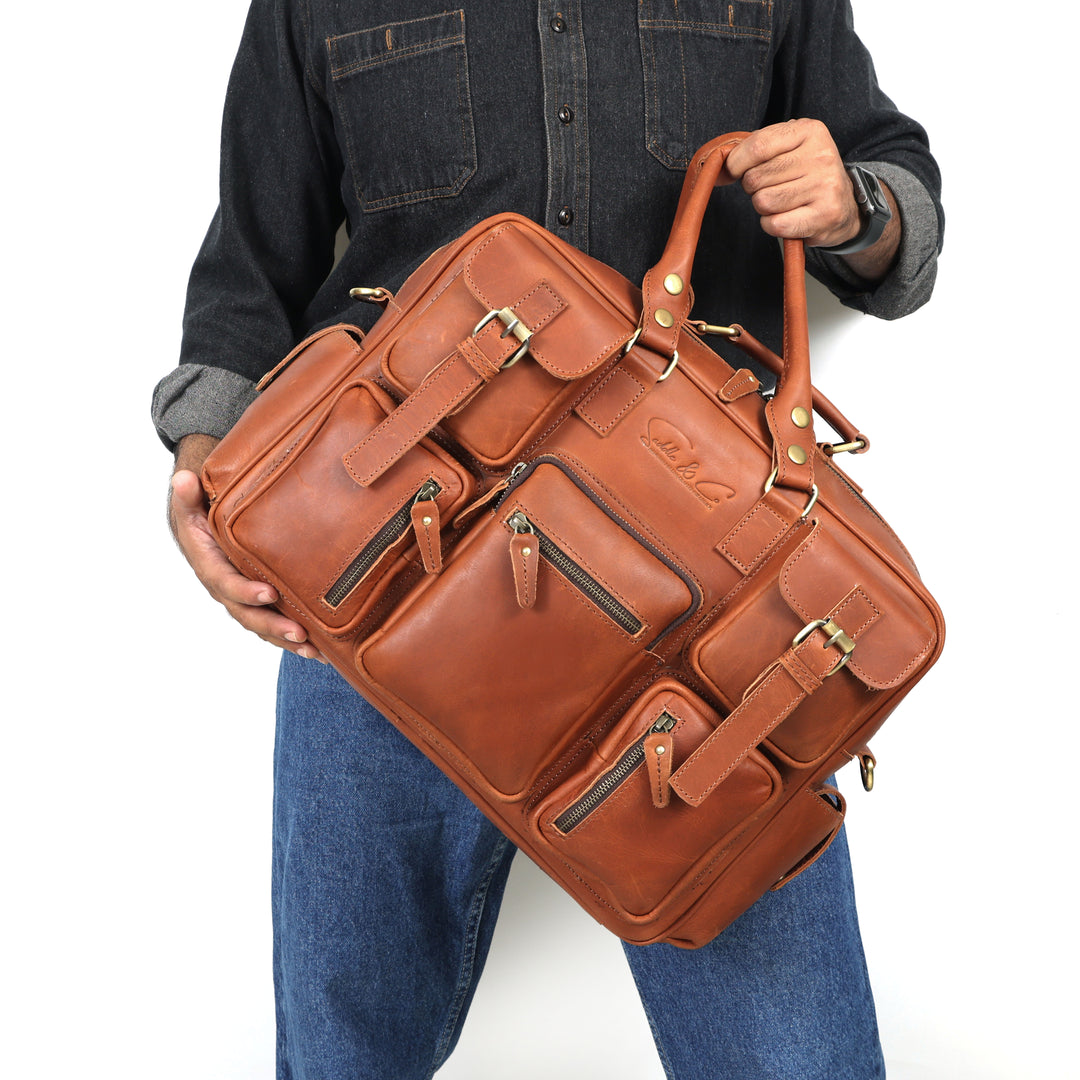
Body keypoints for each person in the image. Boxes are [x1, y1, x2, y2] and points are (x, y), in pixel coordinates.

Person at [154, 2, 942, 1076]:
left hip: (713, 614)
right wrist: (199, 473)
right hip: (382, 569)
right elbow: (251, 269)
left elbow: (891, 188)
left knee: (796, 1061)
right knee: (343, 1059)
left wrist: (858, 204)